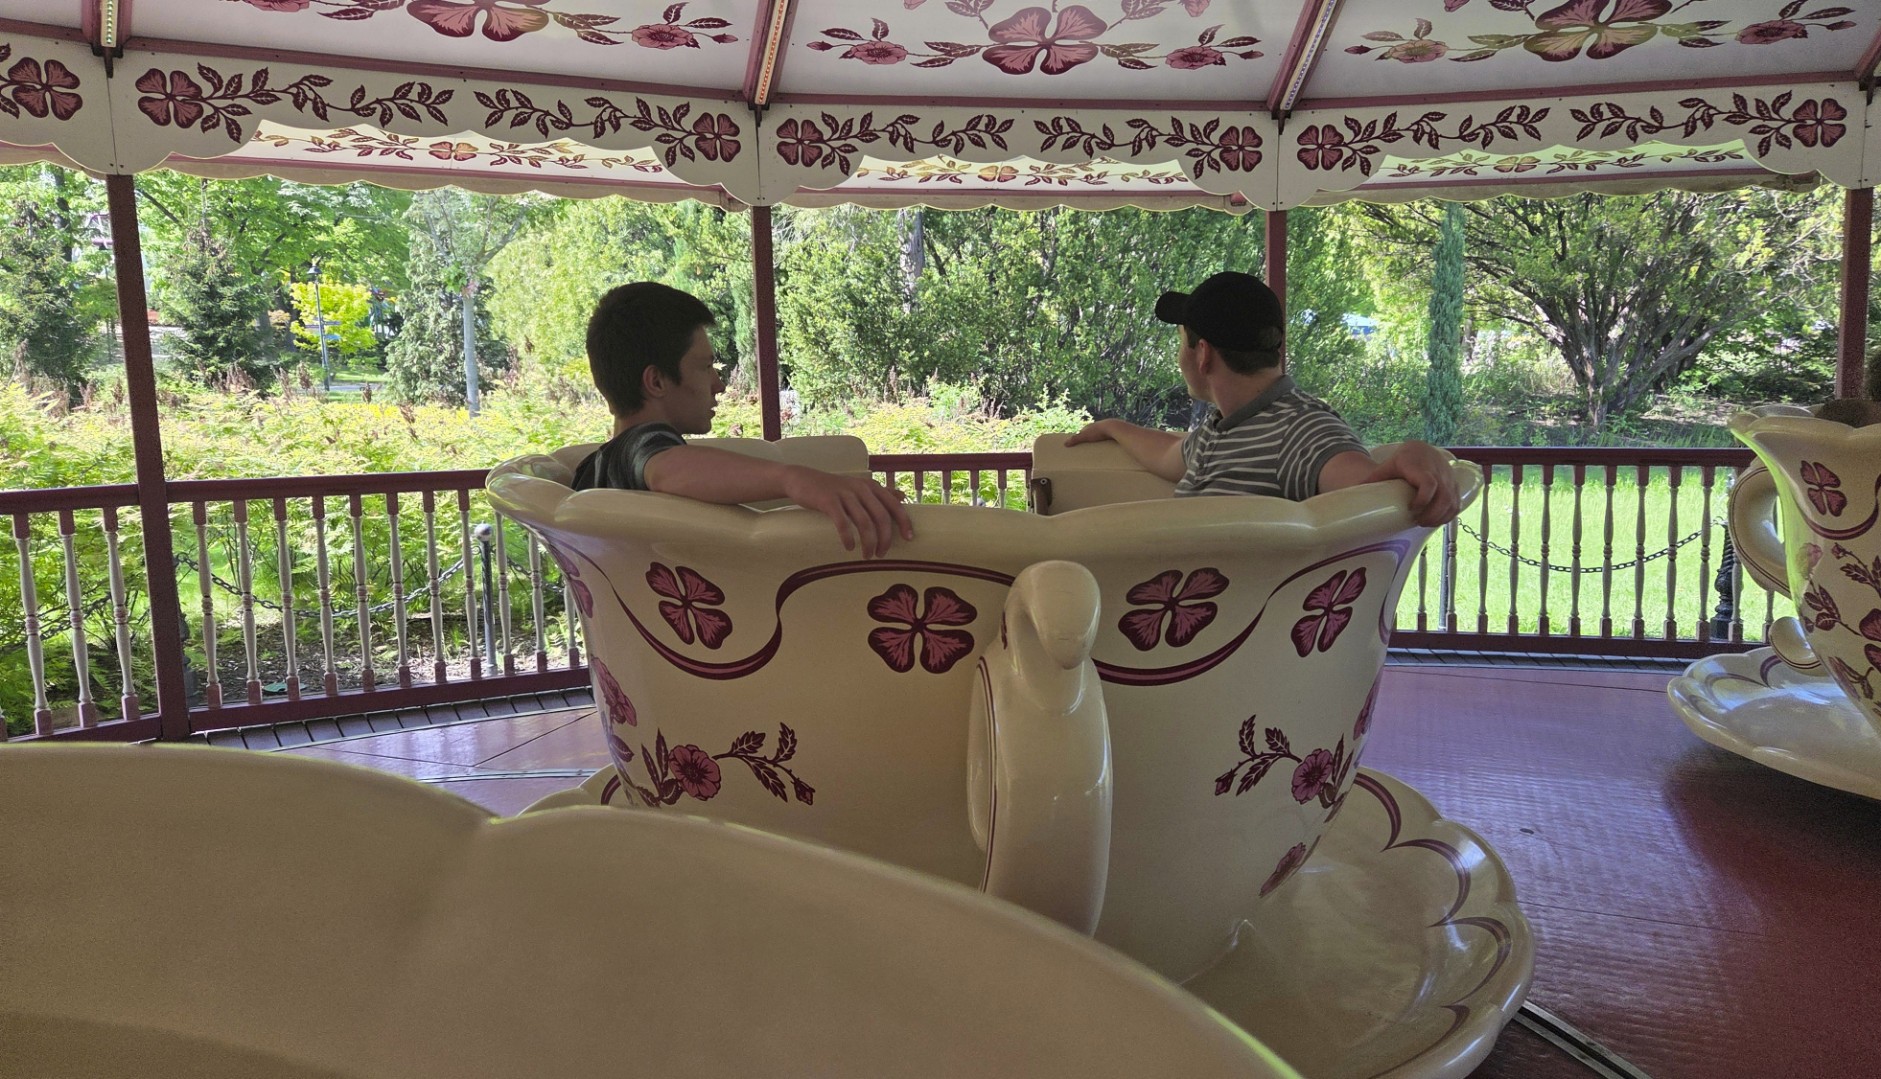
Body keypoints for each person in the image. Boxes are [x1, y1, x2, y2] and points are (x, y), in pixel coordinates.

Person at [1066, 271, 1462, 527]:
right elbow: (1169, 454)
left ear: (1203, 354)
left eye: (1181, 342)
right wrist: (1113, 427)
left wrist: (1417, 453)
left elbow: (1367, 488)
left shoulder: (1301, 430)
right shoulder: (1222, 430)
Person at [572, 282, 914, 557]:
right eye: (705, 367)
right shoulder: (637, 450)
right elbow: (664, 467)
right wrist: (794, 480)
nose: (718, 385)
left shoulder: (594, 470)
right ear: (657, 382)